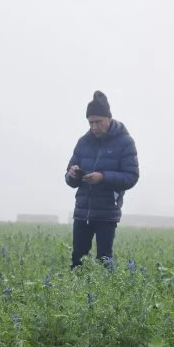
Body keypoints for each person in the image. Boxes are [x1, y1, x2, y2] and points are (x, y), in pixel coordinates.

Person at [65, 91, 140, 267]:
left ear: (109, 118)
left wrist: (103, 177)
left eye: (98, 122)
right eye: (91, 122)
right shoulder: (83, 142)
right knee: (78, 260)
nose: (94, 127)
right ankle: (79, 292)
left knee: (105, 260)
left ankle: (107, 293)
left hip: (107, 213)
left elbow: (131, 176)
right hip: (83, 212)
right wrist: (73, 175)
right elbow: (69, 178)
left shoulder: (125, 142)